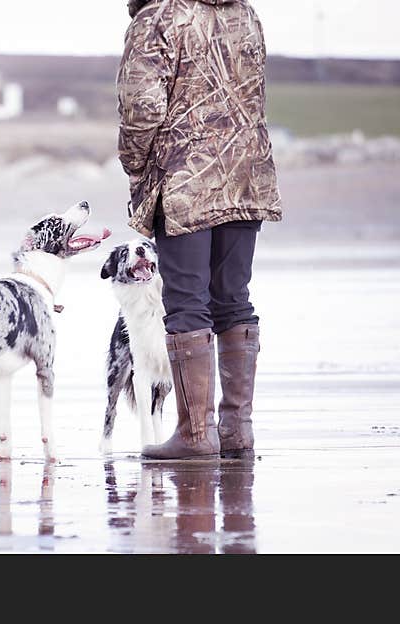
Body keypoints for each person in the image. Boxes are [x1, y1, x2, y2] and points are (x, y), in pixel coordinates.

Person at [117, 0, 282, 459]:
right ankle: (236, 433)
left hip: (186, 178)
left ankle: (194, 434)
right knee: (233, 297)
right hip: (247, 173)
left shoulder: (158, 17)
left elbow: (142, 106)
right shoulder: (245, 14)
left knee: (187, 300)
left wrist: (136, 167)